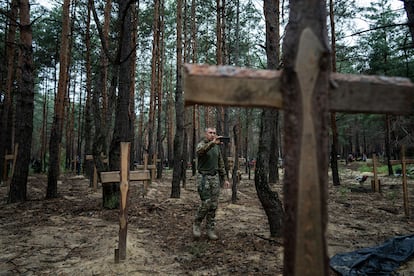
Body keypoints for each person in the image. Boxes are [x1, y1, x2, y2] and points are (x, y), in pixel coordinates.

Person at [193, 127, 230, 240]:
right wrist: (212, 143)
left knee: (213, 205)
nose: (213, 135)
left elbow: (220, 163)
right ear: (206, 134)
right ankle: (197, 224)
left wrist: (225, 178)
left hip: (215, 177)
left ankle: (210, 228)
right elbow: (200, 151)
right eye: (210, 133)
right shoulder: (202, 144)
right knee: (206, 203)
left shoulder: (216, 147)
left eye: (214, 133)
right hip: (203, 177)